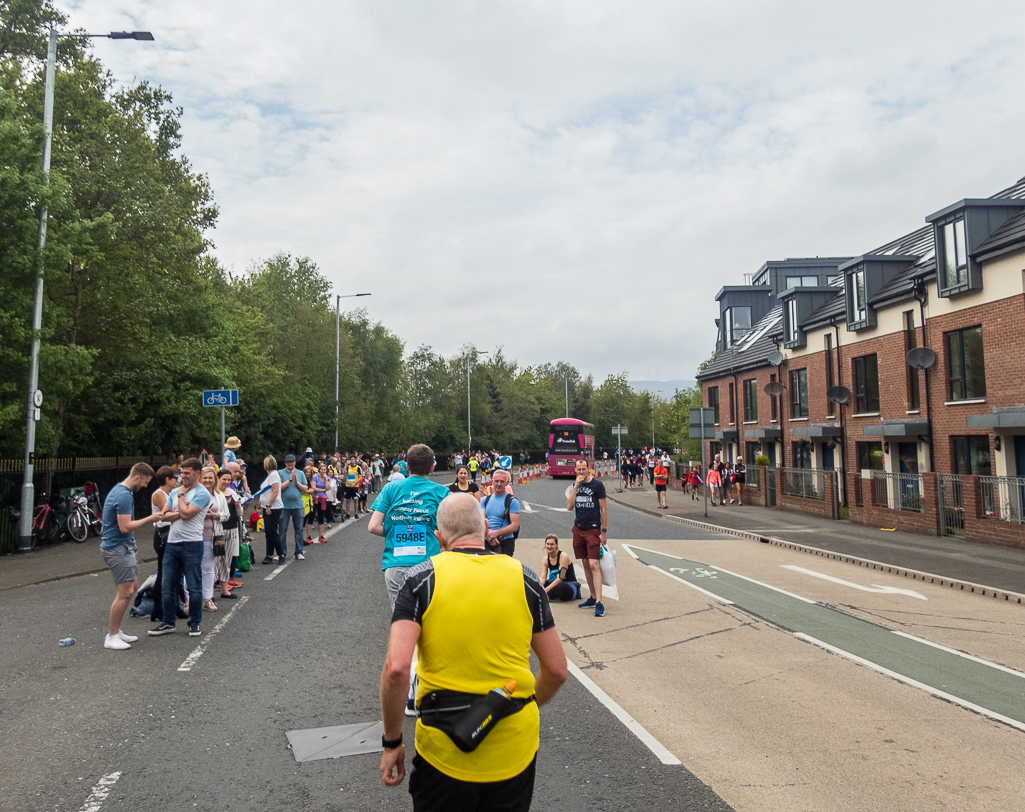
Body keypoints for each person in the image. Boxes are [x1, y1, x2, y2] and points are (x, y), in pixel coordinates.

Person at [379, 493, 568, 809]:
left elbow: (397, 669)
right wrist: (524, 704)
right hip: (514, 746)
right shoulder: (526, 578)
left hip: (443, 748)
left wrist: (392, 742)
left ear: (439, 538)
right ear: (484, 527)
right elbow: (557, 671)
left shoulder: (420, 579)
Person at [369, 443, 452, 718]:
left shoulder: (392, 489)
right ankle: (420, 692)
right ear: (432, 466)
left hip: (394, 565)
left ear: (405, 466)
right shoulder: (441, 492)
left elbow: (373, 526)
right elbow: (448, 533)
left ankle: (406, 694)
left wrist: (396, 536)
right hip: (427, 565)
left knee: (403, 627)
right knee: (427, 627)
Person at [100, 462, 160, 650]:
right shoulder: (124, 495)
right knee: (125, 592)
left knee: (132, 587)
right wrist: (150, 518)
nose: (144, 486)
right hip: (118, 548)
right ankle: (111, 636)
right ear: (137, 477)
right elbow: (124, 526)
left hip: (123, 546)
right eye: (145, 482)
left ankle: (116, 632)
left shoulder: (121, 491)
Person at [150, 458, 211, 638]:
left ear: (197, 473)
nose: (182, 477)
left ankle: (194, 623)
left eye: (186, 473)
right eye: (181, 473)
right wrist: (179, 511)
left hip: (193, 543)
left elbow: (186, 515)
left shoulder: (202, 493)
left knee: (193, 586)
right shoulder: (175, 491)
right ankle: (168, 622)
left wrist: (181, 498)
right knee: (167, 585)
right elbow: (164, 516)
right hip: (172, 543)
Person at [566, 458, 608, 618]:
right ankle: (592, 596)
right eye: (579, 470)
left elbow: (604, 509)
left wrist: (603, 532)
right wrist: (576, 486)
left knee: (594, 564)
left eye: (584, 469)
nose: (581, 473)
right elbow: (569, 506)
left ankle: (600, 602)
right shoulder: (575, 486)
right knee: (584, 562)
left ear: (588, 468)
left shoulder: (597, 485)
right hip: (578, 528)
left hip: (593, 529)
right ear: (575, 470)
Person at [149, 466, 181, 622]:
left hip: (172, 533)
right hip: (163, 535)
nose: (178, 480)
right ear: (167, 479)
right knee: (163, 573)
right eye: (175, 477)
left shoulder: (169, 493)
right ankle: (158, 609)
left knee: (175, 572)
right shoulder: (159, 494)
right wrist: (186, 512)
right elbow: (167, 514)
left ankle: (176, 607)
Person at [199, 467, 229, 613]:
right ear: (200, 478)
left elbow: (226, 515)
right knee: (191, 568)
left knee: (209, 568)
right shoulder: (194, 493)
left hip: (213, 536)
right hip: (194, 536)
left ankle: (208, 599)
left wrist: (214, 515)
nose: (208, 480)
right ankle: (187, 600)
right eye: (205, 477)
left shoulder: (219, 496)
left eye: (210, 478)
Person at [214, 468, 241, 599]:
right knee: (216, 559)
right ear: (218, 479)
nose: (226, 482)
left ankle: (225, 590)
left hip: (232, 529)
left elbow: (240, 513)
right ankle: (211, 592)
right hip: (218, 530)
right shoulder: (214, 493)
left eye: (229, 480)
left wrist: (237, 506)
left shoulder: (232, 492)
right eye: (224, 479)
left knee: (227, 560)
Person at [481, 468, 520, 557]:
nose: (499, 484)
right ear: (492, 482)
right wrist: (489, 536)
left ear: (507, 483)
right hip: (487, 541)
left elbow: (515, 525)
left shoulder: (512, 501)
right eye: (496, 481)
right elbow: (481, 522)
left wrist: (496, 533)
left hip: (505, 543)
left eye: (502, 481)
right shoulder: (484, 500)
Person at [279, 454, 311, 560]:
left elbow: (305, 489)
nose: (290, 464)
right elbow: (279, 488)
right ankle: (282, 553)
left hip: (298, 505)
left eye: (292, 462)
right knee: (282, 530)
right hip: (284, 506)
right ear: (285, 463)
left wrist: (296, 481)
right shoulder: (280, 473)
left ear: (295, 463)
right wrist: (290, 480)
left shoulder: (301, 473)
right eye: (288, 462)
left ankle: (299, 551)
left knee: (299, 529)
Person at [260, 455, 285, 564]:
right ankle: (269, 554)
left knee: (272, 531)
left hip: (273, 507)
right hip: (267, 506)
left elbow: (275, 492)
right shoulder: (271, 475)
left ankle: (281, 553)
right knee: (269, 532)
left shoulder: (274, 475)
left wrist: (269, 505)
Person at [541, 534, 580, 602]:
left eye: (552, 544)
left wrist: (545, 590)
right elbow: (542, 578)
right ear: (545, 545)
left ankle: (547, 595)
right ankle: (547, 595)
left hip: (568, 584)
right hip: (553, 582)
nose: (549, 547)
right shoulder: (545, 559)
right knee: (534, 584)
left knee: (561, 587)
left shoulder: (563, 557)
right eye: (548, 544)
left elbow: (560, 578)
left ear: (556, 545)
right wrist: (539, 587)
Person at [310, 463, 331, 543]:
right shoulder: (315, 477)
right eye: (322, 469)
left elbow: (328, 488)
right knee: (311, 516)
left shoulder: (327, 478)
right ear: (319, 470)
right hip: (315, 498)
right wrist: (322, 490)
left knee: (321, 517)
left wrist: (326, 479)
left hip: (322, 499)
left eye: (324, 470)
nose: (323, 471)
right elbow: (314, 488)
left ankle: (321, 536)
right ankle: (309, 537)